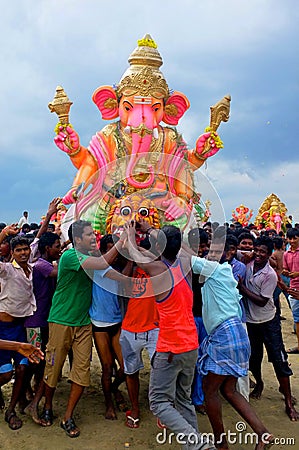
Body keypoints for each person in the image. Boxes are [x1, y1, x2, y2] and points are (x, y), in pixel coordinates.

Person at [126, 221, 216, 450]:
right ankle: (194, 446)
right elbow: (161, 247)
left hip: (170, 347)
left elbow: (137, 256)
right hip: (191, 345)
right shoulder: (184, 262)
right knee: (183, 399)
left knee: (158, 402)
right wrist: (149, 229)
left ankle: (197, 444)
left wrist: (129, 234)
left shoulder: (158, 270)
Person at [38, 220, 126, 438]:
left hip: (83, 323)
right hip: (61, 321)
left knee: (81, 372)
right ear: (77, 239)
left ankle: (67, 416)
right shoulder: (70, 256)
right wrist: (122, 241)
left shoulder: (90, 256)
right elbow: (103, 263)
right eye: (88, 234)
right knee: (53, 368)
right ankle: (48, 406)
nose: (92, 237)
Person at [189, 228, 272, 450]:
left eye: (213, 251)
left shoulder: (214, 269)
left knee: (210, 391)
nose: (208, 254)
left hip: (224, 335)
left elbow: (184, 258)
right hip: (236, 334)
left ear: (224, 254)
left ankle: (221, 443)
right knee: (229, 390)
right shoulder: (225, 272)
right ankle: (262, 433)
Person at [239, 236, 299, 421]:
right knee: (254, 357)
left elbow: (261, 300)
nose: (258, 253)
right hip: (251, 321)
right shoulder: (247, 263)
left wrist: (241, 287)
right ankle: (259, 383)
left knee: (278, 358)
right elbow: (233, 250)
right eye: (256, 250)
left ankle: (288, 401)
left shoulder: (269, 274)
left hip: (268, 320)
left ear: (269, 253)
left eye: (262, 252)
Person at [90, 234, 131, 420]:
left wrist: (130, 255)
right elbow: (124, 278)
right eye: (108, 248)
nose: (112, 252)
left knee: (125, 367)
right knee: (107, 367)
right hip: (99, 324)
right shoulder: (98, 265)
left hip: (116, 321)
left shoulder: (115, 266)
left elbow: (125, 278)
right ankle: (109, 404)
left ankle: (114, 389)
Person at [119, 236, 159, 428]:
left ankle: (161, 408)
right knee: (131, 371)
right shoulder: (132, 271)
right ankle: (135, 408)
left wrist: (137, 250)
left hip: (155, 328)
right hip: (130, 329)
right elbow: (122, 285)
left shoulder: (159, 269)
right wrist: (129, 257)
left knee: (160, 371)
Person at [24, 232, 61, 424]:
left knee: (41, 363)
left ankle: (30, 396)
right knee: (36, 363)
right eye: (57, 245)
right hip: (35, 323)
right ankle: (27, 397)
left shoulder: (46, 263)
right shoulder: (41, 265)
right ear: (47, 249)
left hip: (44, 321)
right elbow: (59, 271)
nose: (60, 248)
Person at [0, 236, 36, 430]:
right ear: (12, 253)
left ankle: (11, 410)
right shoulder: (6, 270)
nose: (23, 253)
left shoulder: (31, 270)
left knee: (23, 369)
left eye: (26, 249)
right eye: (19, 250)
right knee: (6, 375)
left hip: (20, 329)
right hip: (3, 329)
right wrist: (3, 234)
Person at [187, 227, 209, 415]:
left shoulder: (207, 263)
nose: (202, 249)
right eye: (200, 246)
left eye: (205, 246)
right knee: (189, 361)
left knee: (201, 359)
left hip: (203, 317)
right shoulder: (183, 263)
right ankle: (188, 397)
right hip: (190, 317)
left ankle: (198, 398)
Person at [282, 228, 299, 354]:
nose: (292, 241)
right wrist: (286, 273)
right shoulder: (286, 254)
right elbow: (284, 268)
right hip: (293, 288)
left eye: (295, 238)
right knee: (297, 319)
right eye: (290, 238)